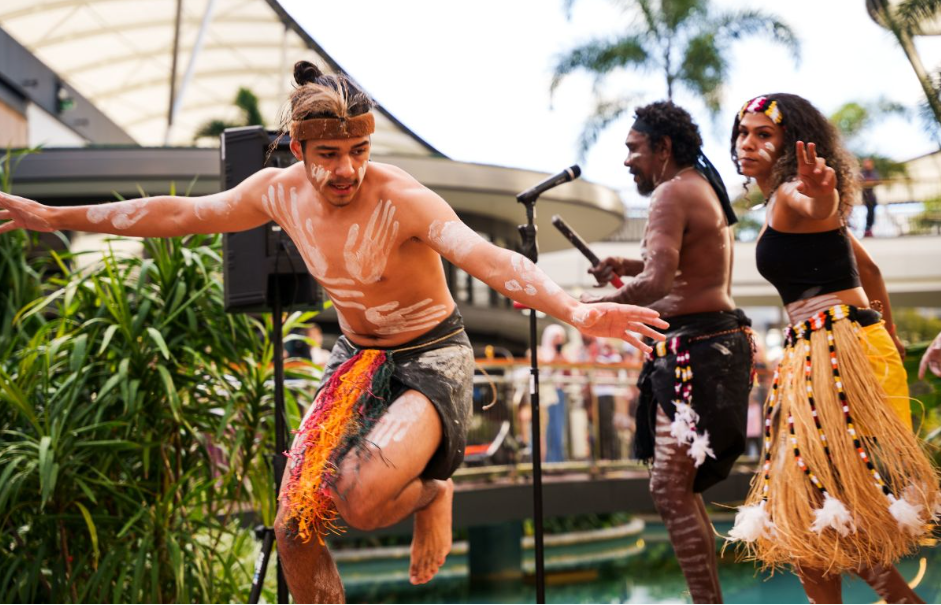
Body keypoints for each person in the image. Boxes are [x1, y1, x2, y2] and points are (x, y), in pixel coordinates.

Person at [0, 61, 668, 603]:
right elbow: (181, 213)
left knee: (359, 492)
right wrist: (55, 215)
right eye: (328, 154)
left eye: (358, 150)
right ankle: (421, 497)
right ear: (297, 149)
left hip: (432, 354)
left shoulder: (400, 195)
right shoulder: (276, 191)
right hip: (357, 358)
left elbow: (487, 257)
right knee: (294, 528)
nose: (346, 168)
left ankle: (435, 488)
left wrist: (576, 311)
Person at [726, 93, 939, 604]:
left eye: (763, 134)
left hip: (837, 355)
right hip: (824, 352)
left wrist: (821, 194)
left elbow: (813, 203)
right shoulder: (782, 200)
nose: (748, 143)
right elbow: (870, 271)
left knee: (811, 513)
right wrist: (882, 337)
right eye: (742, 133)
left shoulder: (793, 193)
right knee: (812, 517)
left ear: (791, 146)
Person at [583, 101, 754, 604]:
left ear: (663, 148)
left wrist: (587, 306)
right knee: (675, 488)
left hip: (697, 351)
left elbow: (657, 280)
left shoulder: (670, 193)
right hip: (709, 347)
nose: (627, 160)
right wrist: (627, 263)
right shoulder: (697, 187)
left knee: (668, 488)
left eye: (634, 149)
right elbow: (680, 260)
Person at [539, 324, 568, 462]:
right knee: (548, 429)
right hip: (546, 393)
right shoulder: (541, 353)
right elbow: (545, 372)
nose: (559, 340)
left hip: (559, 392)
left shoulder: (563, 354)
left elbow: (569, 372)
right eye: (556, 336)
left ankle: (558, 459)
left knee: (559, 428)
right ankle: (548, 460)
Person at [860, 157, 879, 237]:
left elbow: (877, 180)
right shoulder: (862, 172)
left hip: (871, 196)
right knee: (868, 213)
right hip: (865, 195)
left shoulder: (873, 172)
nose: (867, 164)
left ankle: (869, 229)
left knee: (871, 213)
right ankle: (867, 229)